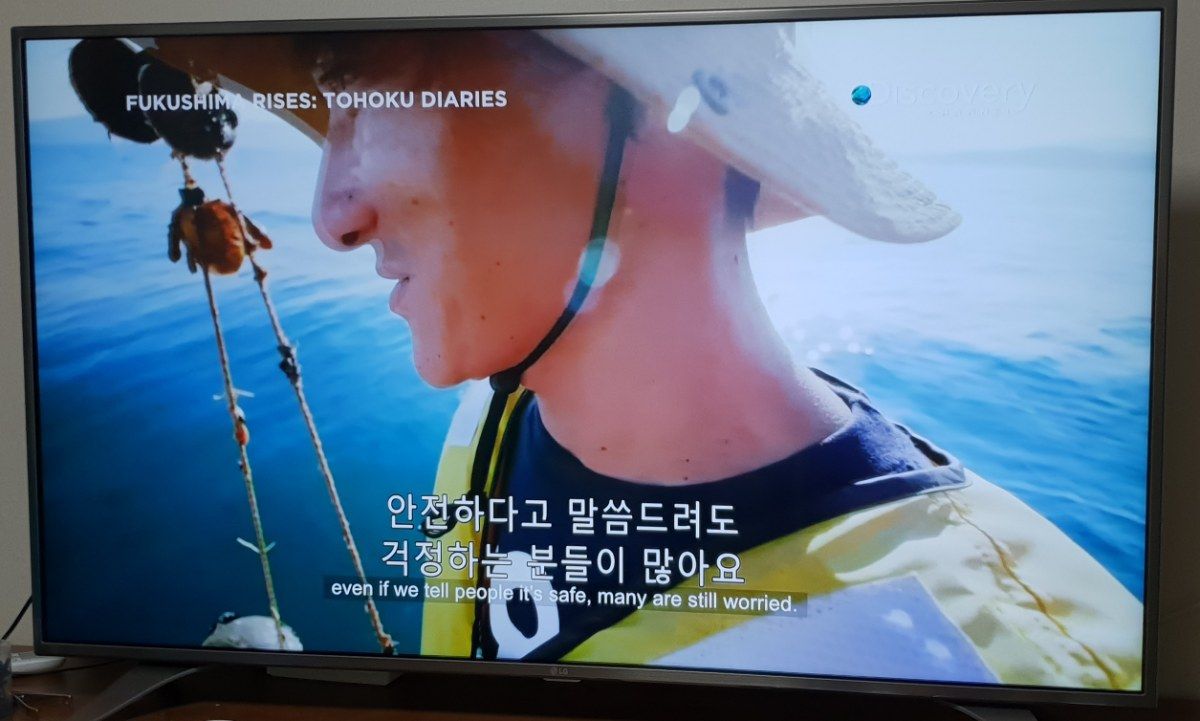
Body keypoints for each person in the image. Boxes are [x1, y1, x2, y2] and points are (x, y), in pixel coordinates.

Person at [147, 23, 1143, 688]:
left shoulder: (996, 654)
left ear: (667, 119)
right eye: (333, 99)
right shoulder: (495, 418)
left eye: (361, 82)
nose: (331, 217)